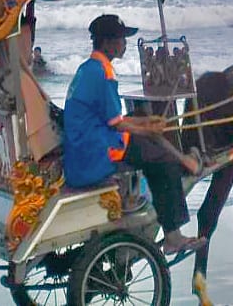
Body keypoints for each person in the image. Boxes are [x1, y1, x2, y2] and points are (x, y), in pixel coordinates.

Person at [63, 14, 207, 255]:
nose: (125, 44)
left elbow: (111, 118)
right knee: (164, 161)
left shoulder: (87, 68)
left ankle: (165, 182)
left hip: (84, 146)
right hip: (98, 152)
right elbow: (117, 124)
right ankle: (173, 236)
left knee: (147, 139)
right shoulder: (103, 73)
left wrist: (144, 122)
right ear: (108, 43)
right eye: (121, 39)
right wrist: (147, 128)